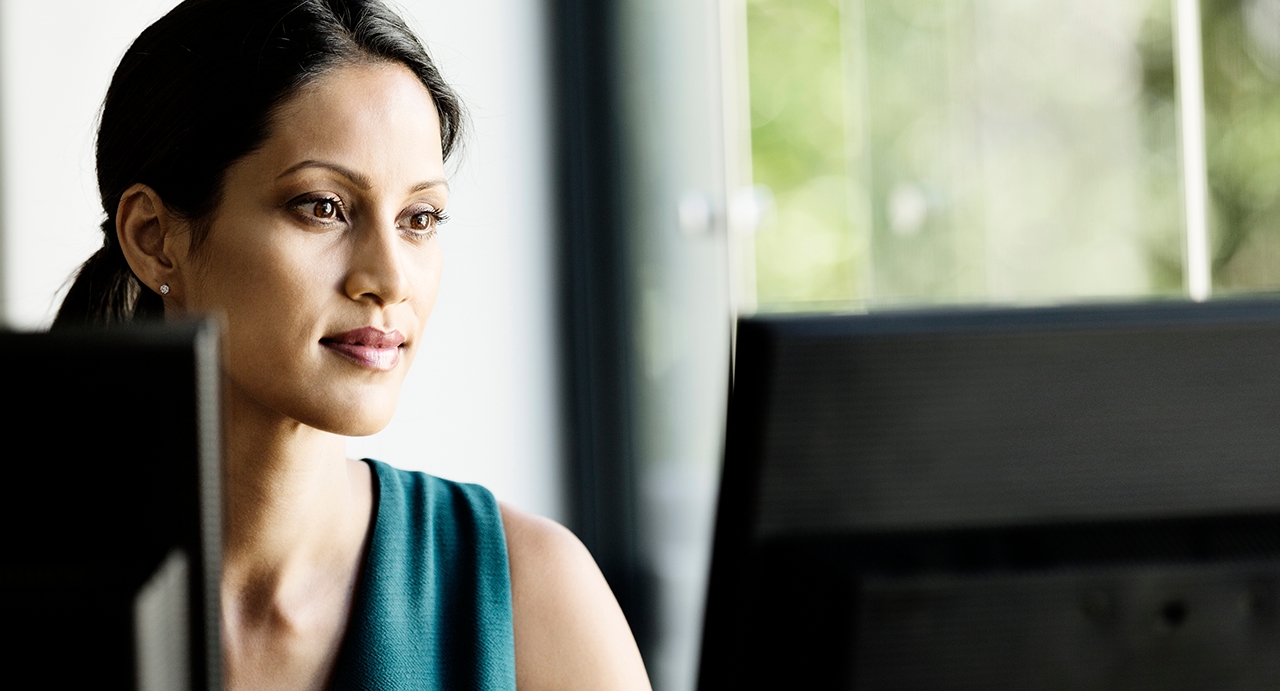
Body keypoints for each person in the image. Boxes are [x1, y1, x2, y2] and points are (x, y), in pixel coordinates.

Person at [51, 1, 652, 689]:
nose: (390, 278)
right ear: (154, 237)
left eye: (419, 218)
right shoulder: (40, 581)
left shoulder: (528, 594)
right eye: (322, 206)